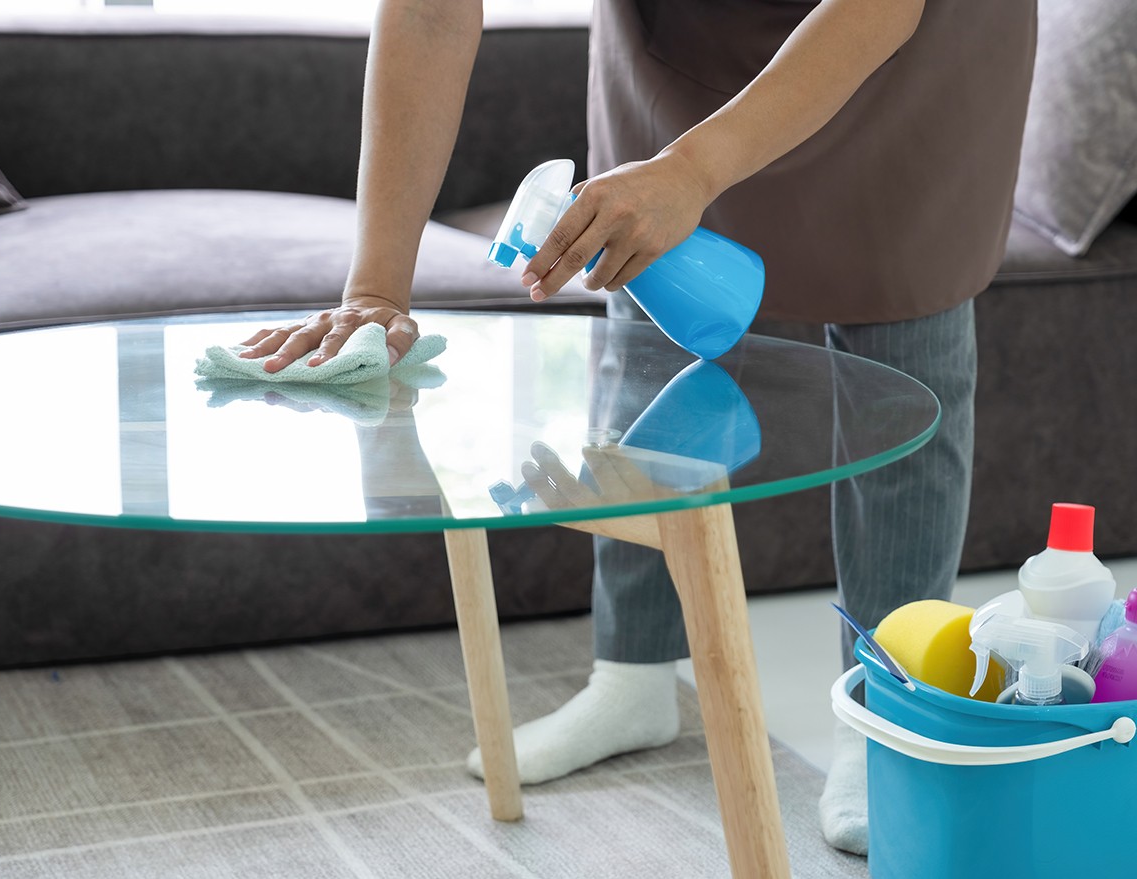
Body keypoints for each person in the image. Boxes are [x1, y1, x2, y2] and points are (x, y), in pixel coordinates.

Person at [238, 0, 1037, 856]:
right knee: (653, 347)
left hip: (901, 51)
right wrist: (376, 291)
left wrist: (693, 171)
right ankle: (632, 675)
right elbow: (431, 12)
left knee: (901, 354)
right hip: (677, 41)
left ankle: (884, 716)